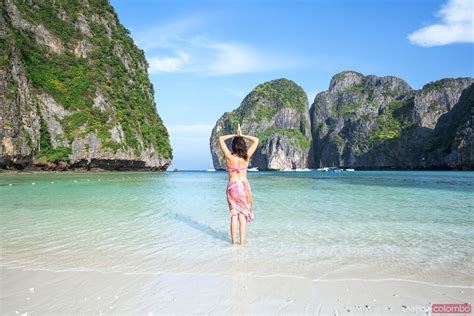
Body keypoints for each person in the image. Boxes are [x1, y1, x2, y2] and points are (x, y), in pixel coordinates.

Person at [218, 124, 259, 245]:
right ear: (243, 145)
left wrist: (234, 135)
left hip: (232, 187)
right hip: (243, 187)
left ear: (233, 145)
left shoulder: (229, 156)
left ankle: (233, 244)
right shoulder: (246, 156)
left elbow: (220, 139)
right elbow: (256, 140)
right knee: (243, 216)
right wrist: (241, 135)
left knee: (234, 215)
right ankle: (242, 243)